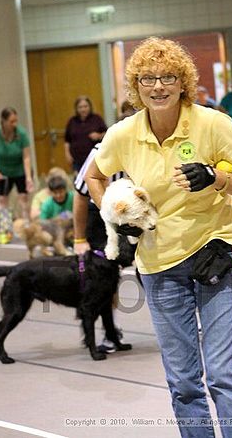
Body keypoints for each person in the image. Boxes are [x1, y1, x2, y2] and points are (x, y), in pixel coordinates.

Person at [84, 37, 232, 438]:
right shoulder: (123, 133)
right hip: (160, 265)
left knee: (220, 374)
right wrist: (111, 210)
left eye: (168, 77)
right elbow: (94, 176)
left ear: (183, 82)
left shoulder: (212, 123)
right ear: (137, 86)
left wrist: (217, 178)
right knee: (183, 381)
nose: (158, 86)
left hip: (215, 255)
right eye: (148, 78)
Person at [74, 143, 128, 353]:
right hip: (101, 215)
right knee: (106, 277)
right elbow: (80, 195)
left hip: (136, 211)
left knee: (152, 271)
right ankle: (110, 330)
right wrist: (79, 239)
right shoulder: (101, 151)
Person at [0, 107, 34, 244]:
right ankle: (5, 228)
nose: (14, 124)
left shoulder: (21, 134)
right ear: (4, 121)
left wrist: (28, 177)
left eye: (16, 121)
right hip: (2, 172)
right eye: (11, 121)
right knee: (2, 200)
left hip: (20, 170)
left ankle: (27, 227)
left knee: (23, 199)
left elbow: (26, 157)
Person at [64, 96, 107, 173]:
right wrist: (67, 154)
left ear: (90, 107)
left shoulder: (97, 119)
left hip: (94, 158)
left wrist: (98, 135)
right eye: (80, 107)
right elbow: (67, 140)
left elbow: (107, 134)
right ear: (76, 109)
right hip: (77, 160)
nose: (83, 109)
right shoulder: (72, 121)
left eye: (85, 106)